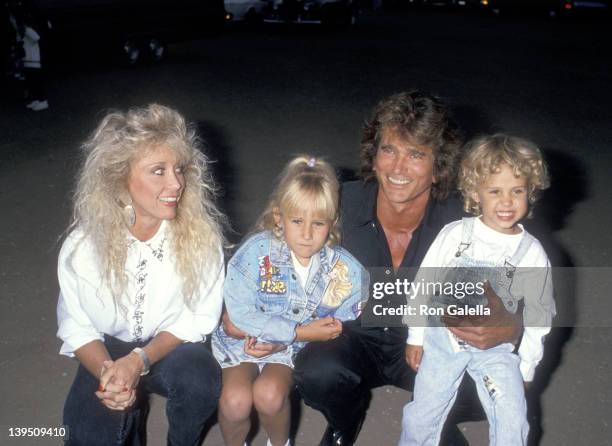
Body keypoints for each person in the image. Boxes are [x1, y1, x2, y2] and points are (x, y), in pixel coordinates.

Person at [292, 91, 524, 446]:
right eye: (389, 150)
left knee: (490, 388)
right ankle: (346, 417)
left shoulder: (467, 225)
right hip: (349, 336)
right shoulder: (338, 202)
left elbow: (517, 287)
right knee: (317, 373)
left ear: (439, 166)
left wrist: (509, 325)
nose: (398, 168)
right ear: (375, 155)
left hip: (428, 346)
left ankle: (433, 416)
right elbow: (274, 253)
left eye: (416, 154)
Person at [56, 104, 225, 445]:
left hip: (170, 345)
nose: (176, 183)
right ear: (121, 177)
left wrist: (139, 360)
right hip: (107, 348)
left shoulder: (201, 238)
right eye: (158, 171)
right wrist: (111, 375)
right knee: (87, 435)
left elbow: (196, 318)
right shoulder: (83, 247)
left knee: (199, 380)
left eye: (179, 169)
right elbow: (77, 325)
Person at [399, 134, 556, 445]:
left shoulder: (532, 252)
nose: (507, 202)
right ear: (475, 192)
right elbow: (425, 284)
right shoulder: (456, 235)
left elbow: (540, 315)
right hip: (443, 337)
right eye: (495, 191)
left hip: (496, 350)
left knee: (513, 417)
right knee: (423, 413)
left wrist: (526, 366)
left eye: (517, 191)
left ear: (531, 192)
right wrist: (415, 334)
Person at [213, 155, 368, 446]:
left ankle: (280, 443)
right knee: (235, 402)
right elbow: (239, 312)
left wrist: (292, 338)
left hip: (292, 349)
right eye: (297, 221)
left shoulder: (343, 270)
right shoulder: (256, 253)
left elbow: (348, 314)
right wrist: (290, 330)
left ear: (332, 223)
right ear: (278, 218)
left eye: (318, 223)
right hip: (244, 341)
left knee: (269, 395)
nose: (307, 234)